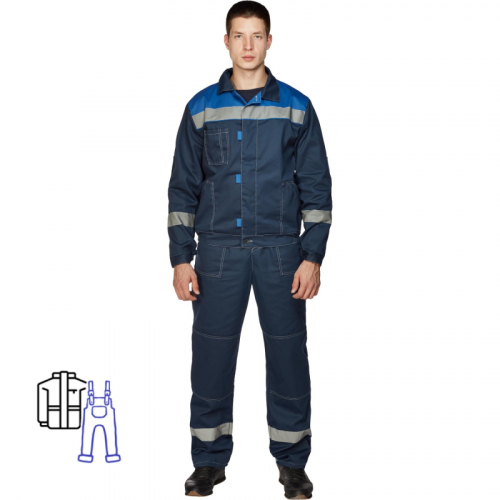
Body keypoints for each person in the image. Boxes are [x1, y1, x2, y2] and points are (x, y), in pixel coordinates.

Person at [167, 2, 332, 497]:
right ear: (226, 41)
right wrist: (180, 258)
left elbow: (317, 187)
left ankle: (292, 463)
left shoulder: (296, 106)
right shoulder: (201, 108)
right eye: (239, 35)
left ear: (269, 41)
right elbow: (182, 188)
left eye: (256, 35)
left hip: (282, 252)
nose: (247, 45)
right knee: (211, 358)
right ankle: (208, 461)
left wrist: (312, 256)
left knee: (288, 357)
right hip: (217, 253)